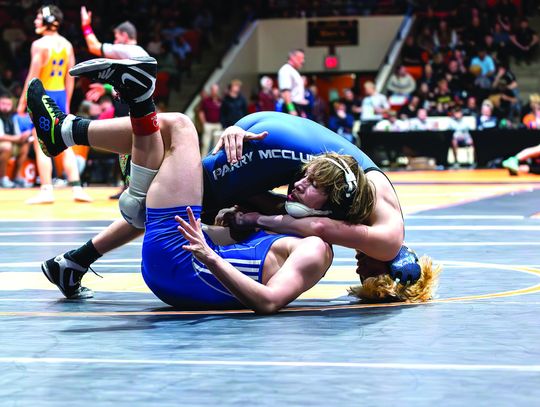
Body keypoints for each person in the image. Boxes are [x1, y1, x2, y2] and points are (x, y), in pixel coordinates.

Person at [26, 58, 439, 303]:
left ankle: (76, 256)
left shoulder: (378, 200)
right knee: (173, 154)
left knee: (184, 183)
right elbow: (315, 225)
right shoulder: (385, 236)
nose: (358, 268)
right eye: (367, 273)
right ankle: (86, 146)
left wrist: (257, 207)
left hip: (277, 141)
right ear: (390, 266)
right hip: (270, 148)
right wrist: (256, 221)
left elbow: (301, 206)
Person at [17, 5, 91, 204]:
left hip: (42, 95)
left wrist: (23, 102)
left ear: (48, 20)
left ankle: (47, 189)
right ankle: (77, 188)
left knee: (42, 143)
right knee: (64, 141)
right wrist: (65, 101)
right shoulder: (67, 44)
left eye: (39, 17)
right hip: (59, 94)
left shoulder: (40, 45)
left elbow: (33, 77)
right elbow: (70, 75)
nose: (35, 21)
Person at [79, 5, 149, 199]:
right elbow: (129, 82)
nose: (116, 42)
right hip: (136, 102)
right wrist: (107, 88)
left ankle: (130, 189)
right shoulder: (139, 53)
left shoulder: (128, 49)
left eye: (117, 37)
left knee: (127, 147)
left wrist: (86, 25)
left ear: (125, 36)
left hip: (129, 105)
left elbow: (94, 46)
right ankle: (130, 187)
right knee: (131, 146)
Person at [0, 92, 31, 188]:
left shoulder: (13, 117)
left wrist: (24, 137)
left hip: (10, 145)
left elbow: (18, 135)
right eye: (3, 104)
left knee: (26, 144)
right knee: (7, 146)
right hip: (4, 146)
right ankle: (2, 178)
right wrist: (17, 138)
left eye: (8, 104)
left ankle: (17, 176)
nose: (6, 107)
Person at [277, 49, 308, 117]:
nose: (303, 61)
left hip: (297, 107)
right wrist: (291, 109)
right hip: (291, 108)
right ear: (292, 57)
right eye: (300, 58)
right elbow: (285, 93)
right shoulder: (286, 70)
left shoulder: (294, 71)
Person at [198, 83, 222, 156]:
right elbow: (201, 112)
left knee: (217, 143)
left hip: (218, 124)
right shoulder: (206, 101)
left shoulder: (220, 100)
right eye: (213, 90)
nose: (214, 91)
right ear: (211, 90)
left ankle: (214, 158)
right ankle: (203, 159)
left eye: (216, 90)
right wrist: (204, 123)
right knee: (206, 143)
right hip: (208, 124)